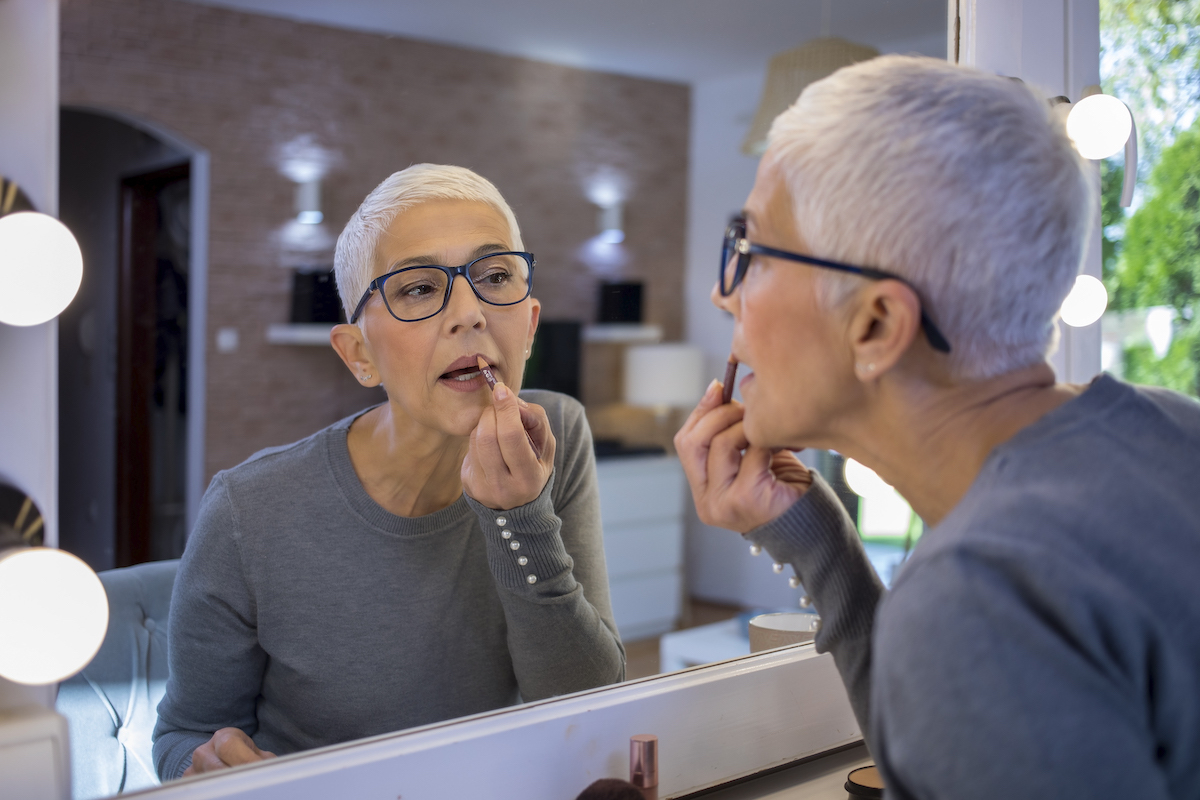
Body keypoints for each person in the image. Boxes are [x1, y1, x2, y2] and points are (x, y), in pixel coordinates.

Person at [675, 55, 1200, 799]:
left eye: (751, 252)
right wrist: (817, 540)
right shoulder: (1172, 426)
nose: (722, 294)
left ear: (878, 323)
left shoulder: (981, 599)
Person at [153, 164, 625, 780]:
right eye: (420, 289)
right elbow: (182, 733)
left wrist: (520, 519)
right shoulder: (249, 510)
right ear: (360, 355)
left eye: (494, 275)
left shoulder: (555, 434)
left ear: (529, 325)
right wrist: (208, 769)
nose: (470, 313)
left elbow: (586, 705)